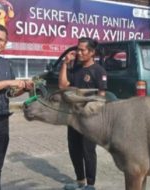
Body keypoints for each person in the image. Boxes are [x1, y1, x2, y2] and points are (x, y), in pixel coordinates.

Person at [0, 24, 33, 190]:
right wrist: (8, 82)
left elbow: (9, 93)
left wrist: (23, 88)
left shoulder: (6, 64)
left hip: (2, 123)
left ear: (5, 43)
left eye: (1, 40)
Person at [59, 37, 107, 190]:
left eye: (82, 50)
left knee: (88, 151)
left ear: (91, 52)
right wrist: (65, 64)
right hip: (73, 117)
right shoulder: (76, 68)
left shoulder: (99, 71)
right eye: (77, 49)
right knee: (74, 149)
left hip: (89, 119)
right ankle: (80, 181)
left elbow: (101, 97)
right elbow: (63, 85)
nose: (78, 52)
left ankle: (90, 185)